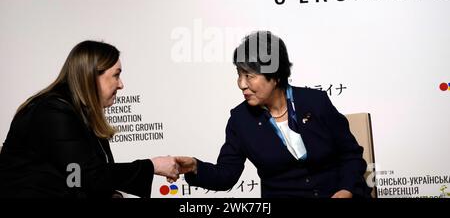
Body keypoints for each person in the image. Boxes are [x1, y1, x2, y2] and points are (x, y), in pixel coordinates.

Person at [176, 31, 372, 198]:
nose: (241, 84)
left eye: (249, 75)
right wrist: (194, 167)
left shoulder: (315, 102)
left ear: (276, 76)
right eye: (239, 74)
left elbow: (351, 154)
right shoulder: (240, 120)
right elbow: (226, 174)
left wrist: (346, 190)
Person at [0, 40, 179, 198]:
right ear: (91, 76)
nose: (121, 84)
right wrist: (153, 166)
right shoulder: (52, 111)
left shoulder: (78, 113)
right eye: (116, 75)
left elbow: (77, 179)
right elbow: (87, 175)